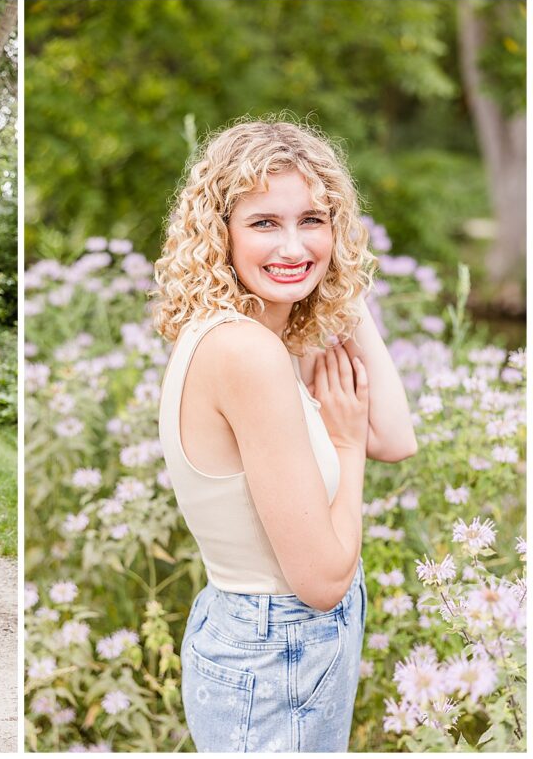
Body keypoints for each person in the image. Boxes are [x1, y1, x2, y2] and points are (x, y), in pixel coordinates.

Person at [152, 119, 416, 751]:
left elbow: (396, 437)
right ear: (221, 234)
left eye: (314, 221)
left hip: (273, 647)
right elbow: (322, 582)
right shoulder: (247, 353)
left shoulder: (256, 335)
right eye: (264, 223)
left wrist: (341, 284)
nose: (292, 245)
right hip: (279, 655)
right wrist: (345, 447)